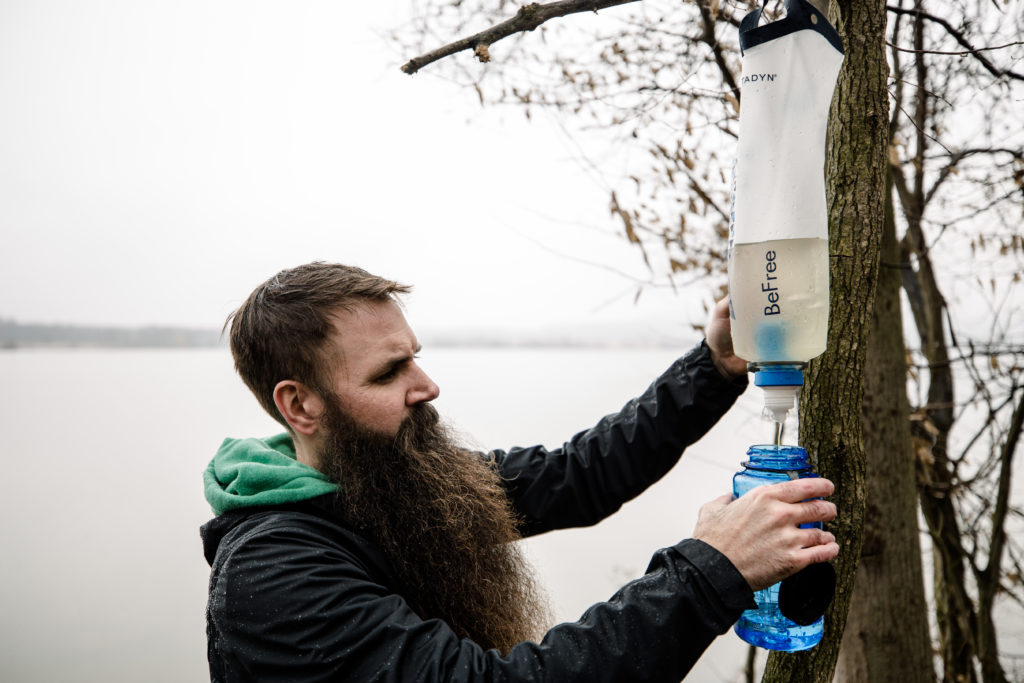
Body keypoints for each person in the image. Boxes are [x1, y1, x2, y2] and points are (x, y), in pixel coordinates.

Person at [201, 262, 838, 682]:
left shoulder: (403, 482)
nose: (427, 386)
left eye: (414, 359)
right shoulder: (272, 575)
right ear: (300, 405)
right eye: (388, 372)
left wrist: (713, 365)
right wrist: (710, 571)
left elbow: (581, 473)